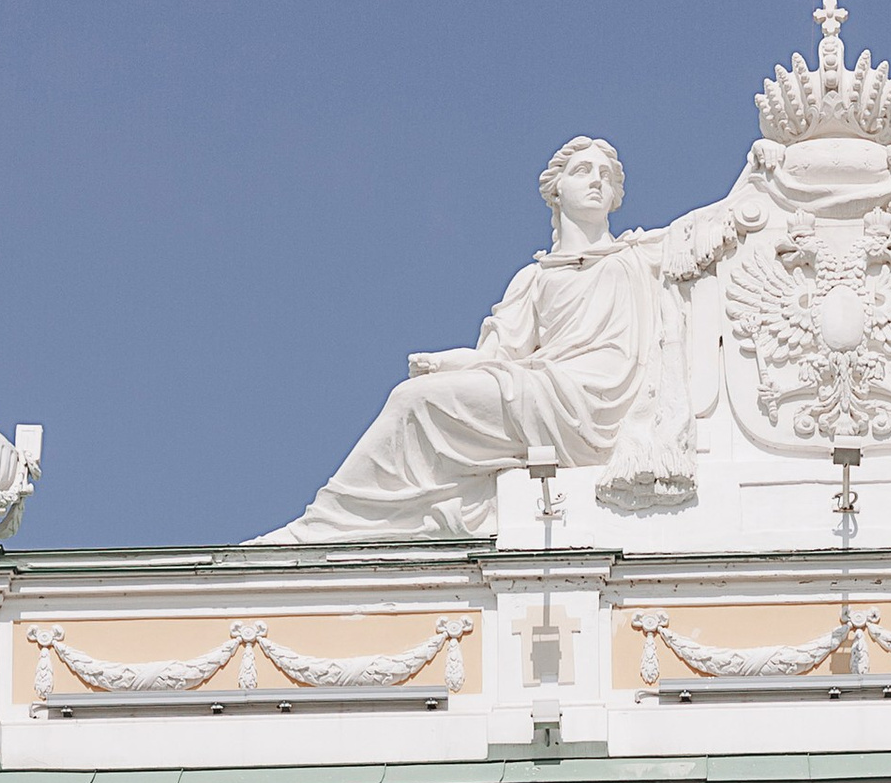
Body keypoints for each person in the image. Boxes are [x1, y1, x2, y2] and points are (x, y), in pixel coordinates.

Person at [275, 137, 705, 541]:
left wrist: (770, 158)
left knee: (412, 403)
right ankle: (334, 523)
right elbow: (500, 355)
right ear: (556, 191)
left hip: (603, 396)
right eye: (582, 171)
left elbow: (724, 222)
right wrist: (446, 365)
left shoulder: (644, 253)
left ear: (615, 196)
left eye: (606, 176)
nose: (597, 180)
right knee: (413, 397)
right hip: (546, 389)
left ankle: (322, 527)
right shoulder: (536, 278)